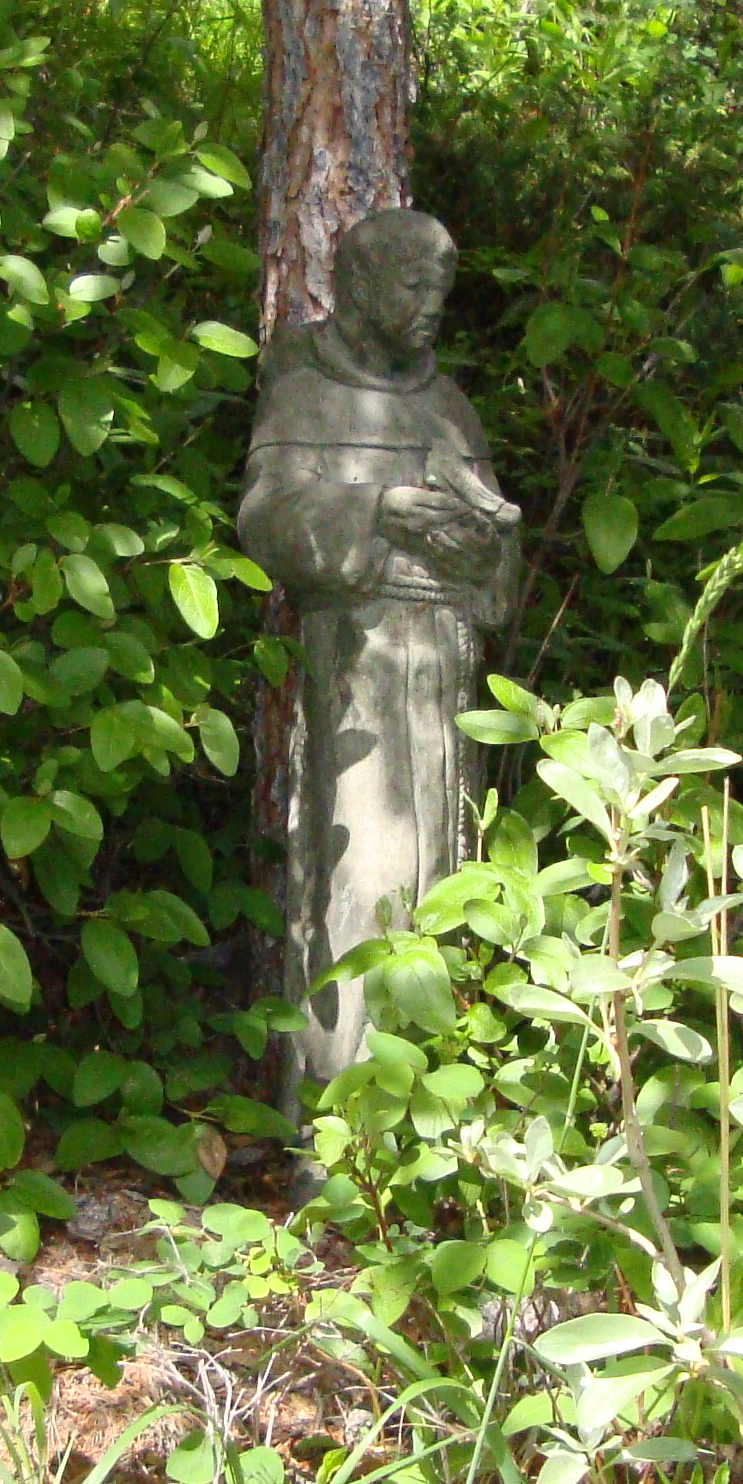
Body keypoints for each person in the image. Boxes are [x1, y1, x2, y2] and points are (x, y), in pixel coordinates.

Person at [238, 207, 523, 1086]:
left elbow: (502, 557)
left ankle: (425, 1111)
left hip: (448, 671)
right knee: (368, 873)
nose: (433, 304)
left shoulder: (449, 409)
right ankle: (342, 1109)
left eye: (443, 287)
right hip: (357, 668)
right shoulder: (306, 397)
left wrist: (481, 548)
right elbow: (264, 518)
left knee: (446, 876)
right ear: (359, 287)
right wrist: (374, 512)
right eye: (413, 285)